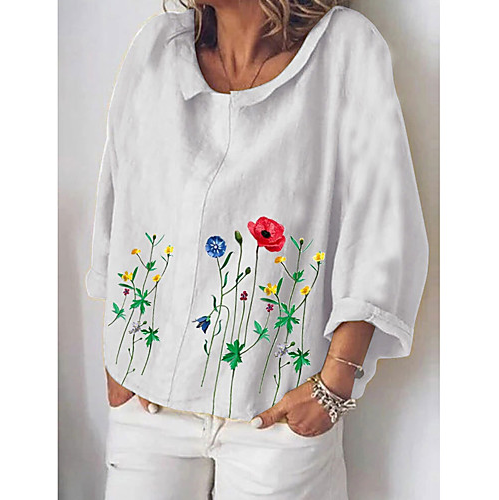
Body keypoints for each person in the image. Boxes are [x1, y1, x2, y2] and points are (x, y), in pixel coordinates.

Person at [86, 1, 429, 498]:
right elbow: (119, 197)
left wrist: (334, 385)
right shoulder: (158, 49)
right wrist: (119, 355)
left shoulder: (344, 50)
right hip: (148, 408)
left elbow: (382, 220)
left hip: (276, 421)